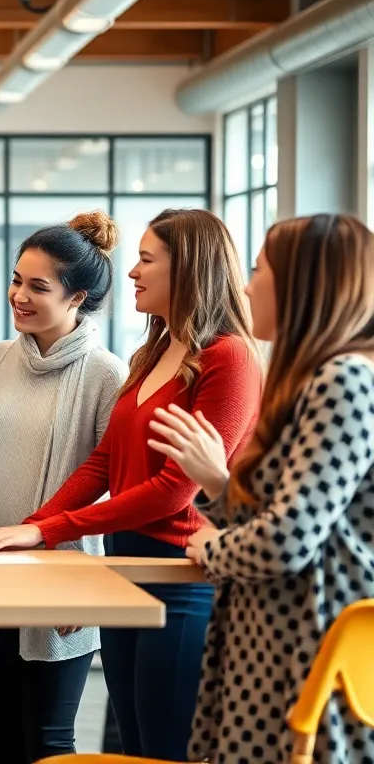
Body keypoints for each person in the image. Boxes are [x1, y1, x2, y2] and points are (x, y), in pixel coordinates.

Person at [0, 208, 263, 761]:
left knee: (166, 749)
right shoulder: (153, 352)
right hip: (126, 568)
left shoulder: (229, 359)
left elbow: (175, 491)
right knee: (132, 745)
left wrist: (50, 530)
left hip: (181, 575)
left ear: (188, 269)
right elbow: (103, 463)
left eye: (147, 261)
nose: (131, 273)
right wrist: (35, 531)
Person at [149, 214, 374, 764]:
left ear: (303, 284)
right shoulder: (316, 378)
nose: (247, 287)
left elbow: (286, 540)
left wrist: (209, 547)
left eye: (258, 270)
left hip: (303, 650)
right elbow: (292, 517)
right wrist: (217, 485)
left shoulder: (344, 380)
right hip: (277, 645)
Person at [0, 212, 127, 764]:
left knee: (48, 742)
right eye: (17, 279)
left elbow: (110, 490)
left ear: (77, 298)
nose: (18, 294)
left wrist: (89, 585)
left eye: (37, 286)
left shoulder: (105, 375)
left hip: (59, 576)